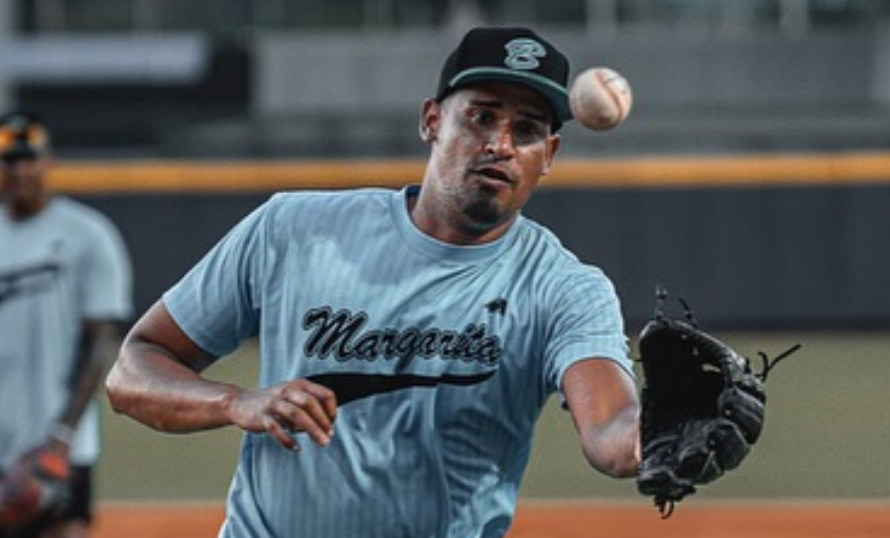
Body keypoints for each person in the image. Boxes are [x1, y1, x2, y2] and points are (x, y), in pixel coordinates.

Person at [106, 26, 640, 538]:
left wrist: (653, 435)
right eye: (481, 116)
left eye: (526, 130)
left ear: (548, 155)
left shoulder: (564, 289)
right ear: (432, 121)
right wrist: (233, 402)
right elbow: (134, 369)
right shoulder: (293, 230)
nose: (500, 143)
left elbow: (611, 430)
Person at [0, 112, 133, 538]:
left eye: (29, 159)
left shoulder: (87, 235)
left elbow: (98, 343)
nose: (19, 170)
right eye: (9, 160)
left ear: (49, 161)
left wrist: (63, 433)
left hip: (58, 439)